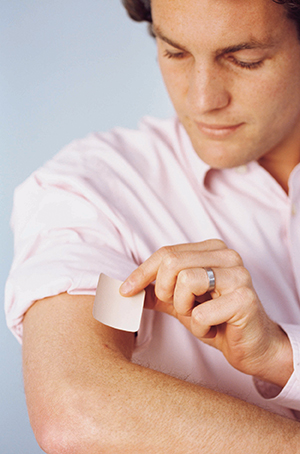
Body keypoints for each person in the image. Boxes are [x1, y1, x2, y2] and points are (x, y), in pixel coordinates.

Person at [5, 0, 300, 451]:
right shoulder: (97, 195)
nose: (203, 99)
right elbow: (77, 407)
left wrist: (283, 355)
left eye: (245, 60)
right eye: (174, 51)